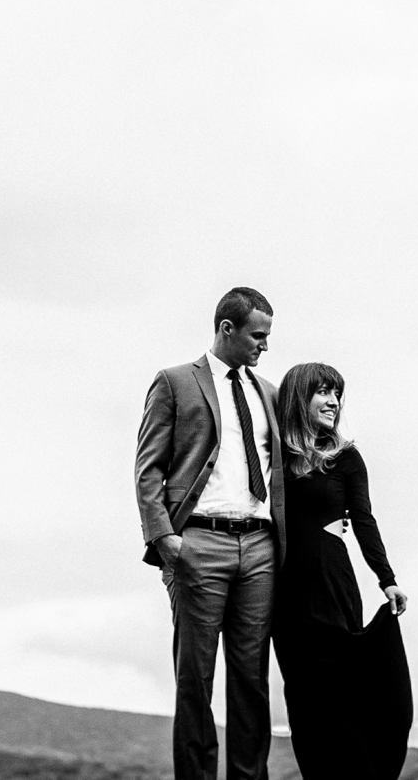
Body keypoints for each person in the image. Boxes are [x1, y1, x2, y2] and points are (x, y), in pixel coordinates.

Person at [135, 287, 286, 780]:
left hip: (261, 547)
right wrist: (164, 539)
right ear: (227, 329)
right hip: (198, 543)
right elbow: (148, 469)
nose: (265, 346)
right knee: (195, 679)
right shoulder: (175, 382)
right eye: (257, 336)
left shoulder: (270, 392)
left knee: (252, 679)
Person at [271, 362, 413, 780]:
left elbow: (363, 519)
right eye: (323, 392)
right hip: (284, 590)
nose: (333, 401)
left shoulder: (346, 457)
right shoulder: (272, 452)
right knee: (307, 698)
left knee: (346, 691)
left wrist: (387, 579)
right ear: (300, 396)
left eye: (337, 393)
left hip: (332, 579)